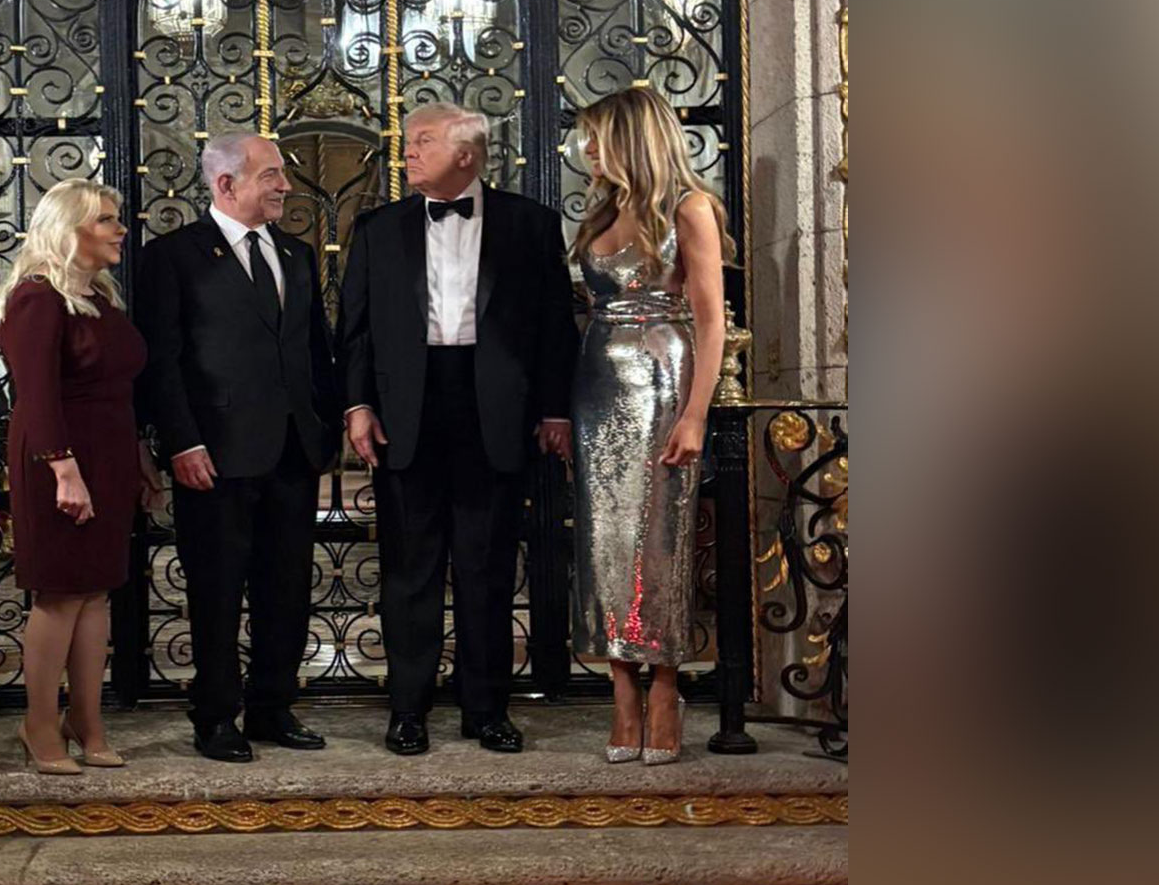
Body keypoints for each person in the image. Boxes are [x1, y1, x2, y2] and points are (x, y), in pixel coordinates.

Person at [337, 102, 578, 755]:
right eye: (409, 143)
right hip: (407, 412)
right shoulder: (377, 228)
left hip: (496, 410)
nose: (407, 153)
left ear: (466, 154)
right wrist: (357, 406)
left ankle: (486, 709)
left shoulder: (531, 225)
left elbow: (557, 327)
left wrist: (554, 409)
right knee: (409, 571)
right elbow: (354, 330)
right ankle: (407, 710)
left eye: (422, 142)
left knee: (487, 569)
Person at [134, 133, 339, 763]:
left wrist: (325, 429)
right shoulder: (172, 257)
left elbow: (314, 350)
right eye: (272, 175)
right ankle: (217, 715)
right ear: (226, 184)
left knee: (287, 587)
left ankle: (273, 707)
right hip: (213, 454)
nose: (284, 186)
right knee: (217, 590)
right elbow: (161, 362)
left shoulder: (298, 255)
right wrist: (180, 442)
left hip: (292, 450)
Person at [569, 87, 731, 765]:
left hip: (662, 378)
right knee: (604, 543)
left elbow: (712, 318)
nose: (588, 151)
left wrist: (695, 412)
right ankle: (621, 692)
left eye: (599, 137)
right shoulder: (599, 211)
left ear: (633, 139)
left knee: (658, 540)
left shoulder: (690, 208)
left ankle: (665, 686)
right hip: (597, 386)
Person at [0, 178, 163, 774]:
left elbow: (118, 388)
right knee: (61, 594)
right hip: (57, 457)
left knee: (95, 593)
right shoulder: (37, 296)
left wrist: (139, 458)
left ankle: (86, 720)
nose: (120, 229)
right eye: (106, 221)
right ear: (69, 230)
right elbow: (37, 395)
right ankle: (39, 723)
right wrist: (64, 471)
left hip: (109, 454)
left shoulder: (100, 296)